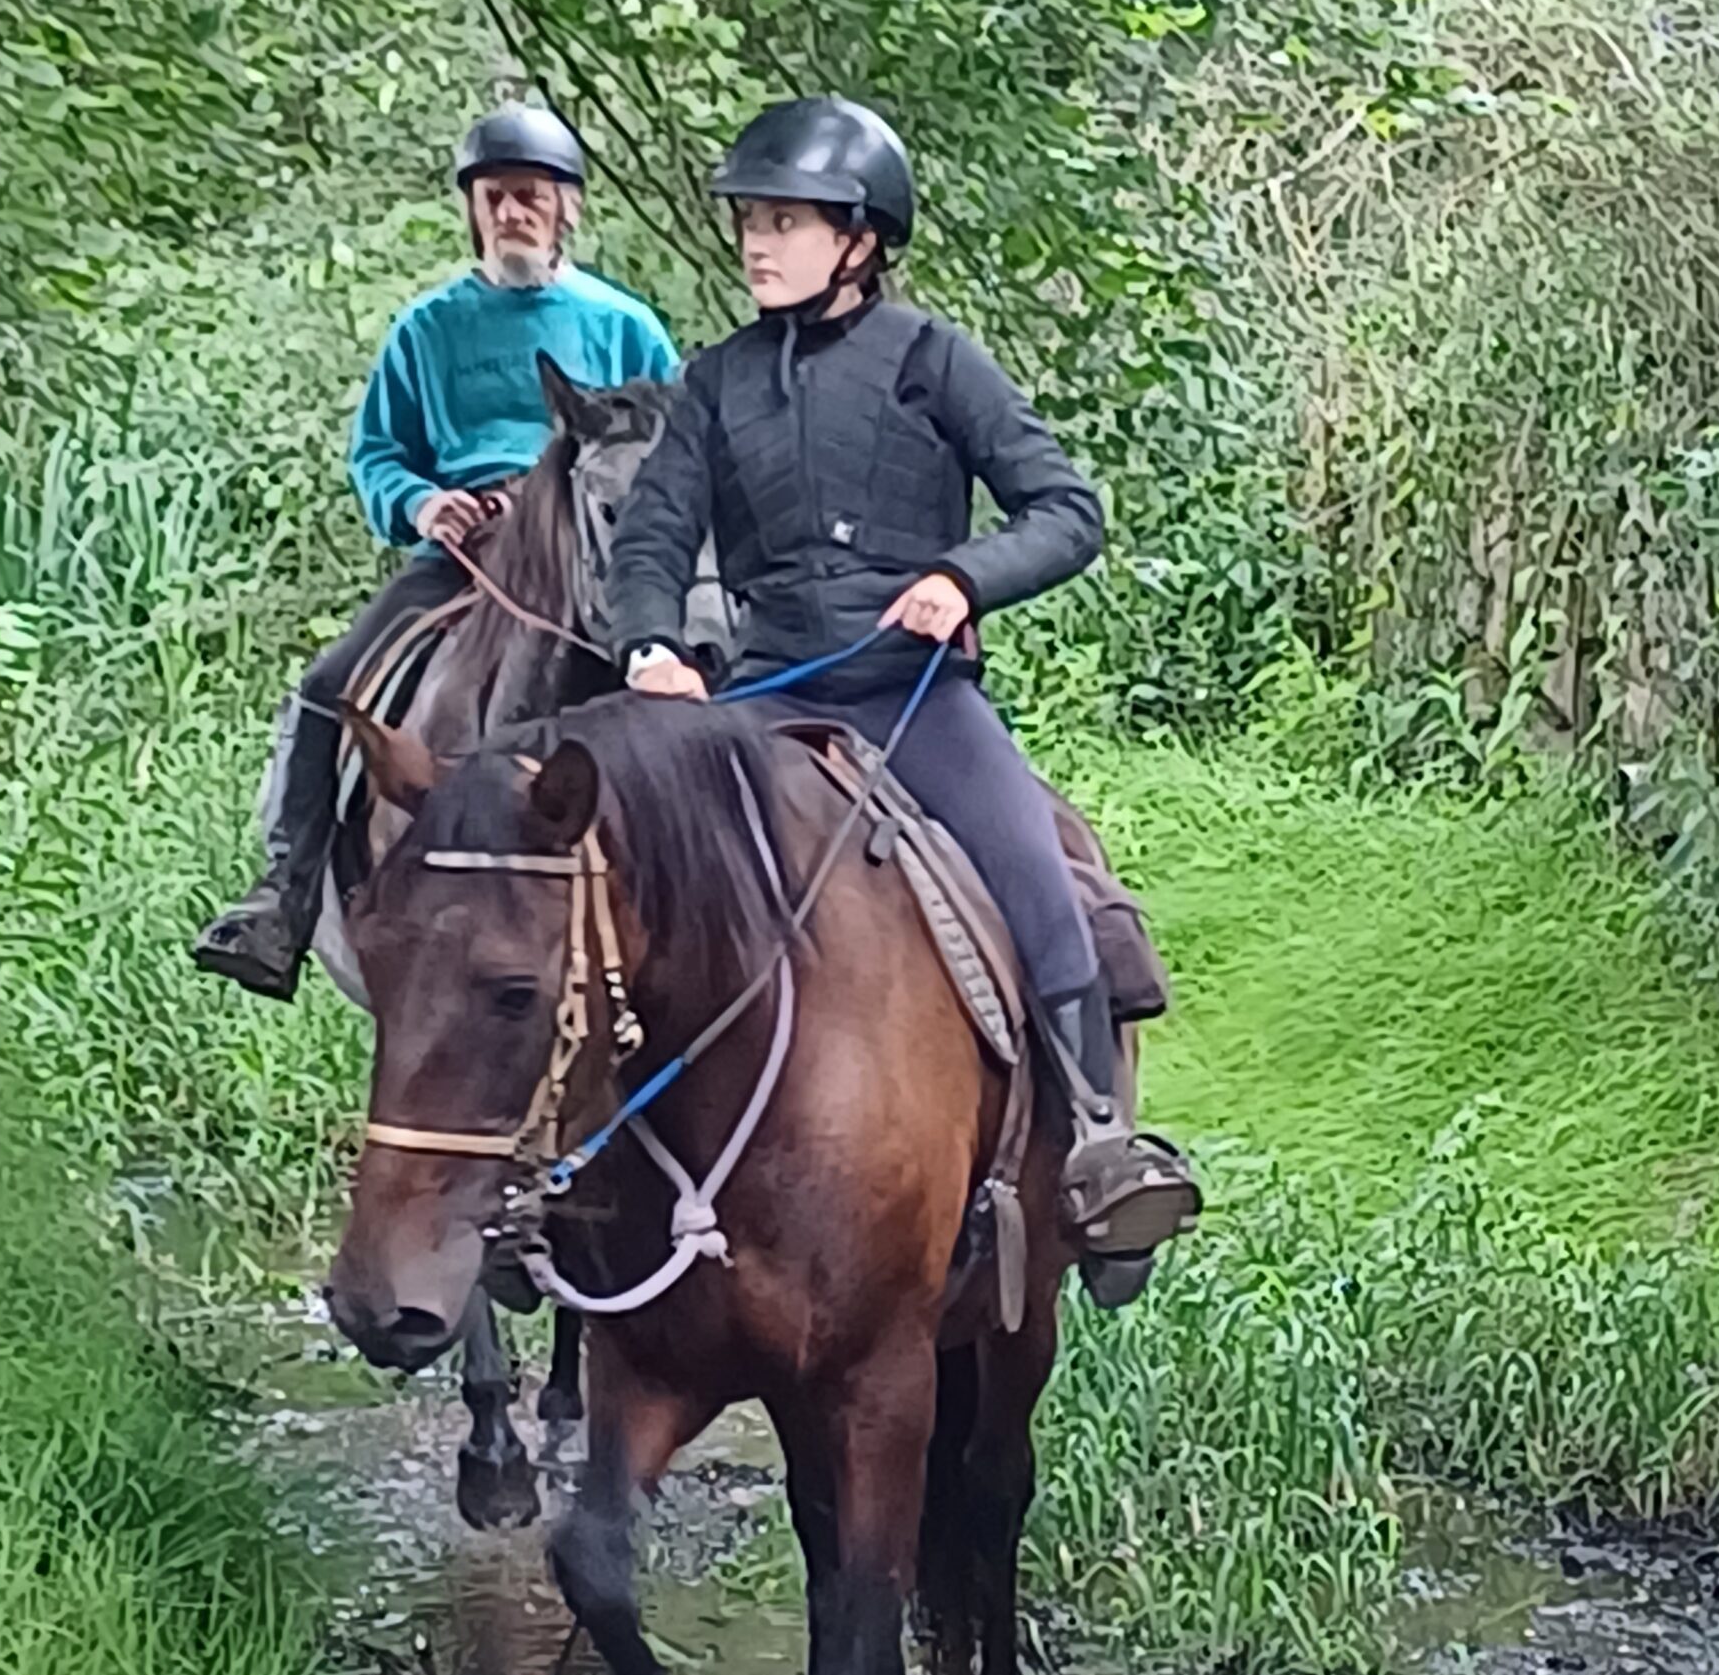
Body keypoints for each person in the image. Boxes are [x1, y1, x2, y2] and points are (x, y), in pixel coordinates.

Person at [605, 95, 1200, 1293]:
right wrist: (651, 646)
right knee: (614, 887)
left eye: (786, 221)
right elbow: (652, 538)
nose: (758, 242)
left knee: (1040, 878)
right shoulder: (712, 383)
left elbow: (1066, 510)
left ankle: (1098, 1147)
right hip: (762, 703)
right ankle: (571, 1169)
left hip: (914, 695)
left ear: (862, 238)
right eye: (751, 221)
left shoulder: (936, 360)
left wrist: (961, 577)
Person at [194, 102, 679, 1000]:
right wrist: (422, 504)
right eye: (494, 197)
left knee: (690, 678)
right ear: (472, 210)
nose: (512, 213)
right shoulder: (426, 329)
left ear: (568, 206)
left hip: (593, 549)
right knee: (327, 686)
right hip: (467, 557)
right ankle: (282, 899)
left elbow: (668, 450)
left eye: (530, 195)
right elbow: (378, 453)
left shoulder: (626, 327)